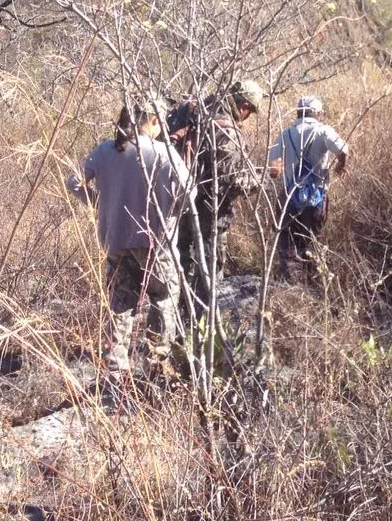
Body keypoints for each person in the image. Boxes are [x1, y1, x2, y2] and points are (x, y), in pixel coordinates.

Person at [67, 96, 194, 376]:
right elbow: (190, 192)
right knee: (163, 301)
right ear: (151, 120)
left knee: (120, 305)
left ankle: (115, 369)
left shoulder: (104, 151)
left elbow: (73, 181)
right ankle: (156, 367)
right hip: (156, 243)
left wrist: (102, 203)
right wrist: (171, 212)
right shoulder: (164, 153)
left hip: (115, 240)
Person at [166, 79, 265, 286]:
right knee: (209, 276)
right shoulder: (226, 129)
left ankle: (180, 312)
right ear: (244, 106)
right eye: (250, 112)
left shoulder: (197, 110)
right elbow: (231, 181)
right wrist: (264, 175)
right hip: (210, 213)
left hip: (178, 203)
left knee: (179, 266)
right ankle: (202, 317)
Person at [267, 95, 349, 280]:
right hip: (317, 199)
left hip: (290, 198)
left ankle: (293, 286)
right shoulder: (323, 131)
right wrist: (340, 166)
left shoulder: (284, 134)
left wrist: (279, 172)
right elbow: (343, 149)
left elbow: (273, 169)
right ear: (318, 113)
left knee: (288, 245)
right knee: (312, 242)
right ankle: (313, 283)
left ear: (298, 112)